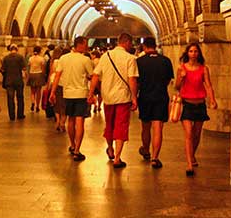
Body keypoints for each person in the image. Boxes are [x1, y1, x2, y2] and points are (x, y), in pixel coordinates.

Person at [89, 33, 138, 168]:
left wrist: (90, 93)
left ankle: (110, 148)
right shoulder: (130, 58)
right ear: (127, 42)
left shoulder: (105, 56)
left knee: (109, 124)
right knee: (121, 126)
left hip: (108, 97)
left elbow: (95, 75)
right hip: (123, 97)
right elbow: (132, 79)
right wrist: (134, 97)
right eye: (130, 43)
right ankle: (117, 158)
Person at [174, 43, 218, 176]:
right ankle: (189, 164)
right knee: (188, 134)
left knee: (196, 134)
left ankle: (192, 155)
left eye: (195, 51)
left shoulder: (204, 69)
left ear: (199, 53)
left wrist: (212, 99)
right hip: (187, 104)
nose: (193, 54)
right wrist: (181, 77)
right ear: (187, 53)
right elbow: (177, 86)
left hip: (200, 105)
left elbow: (208, 86)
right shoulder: (181, 68)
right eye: (191, 51)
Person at [50, 36, 94, 161]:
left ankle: (72, 144)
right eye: (85, 44)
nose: (87, 47)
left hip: (67, 94)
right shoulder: (85, 60)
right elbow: (92, 76)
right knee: (79, 121)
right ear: (80, 44)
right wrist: (92, 91)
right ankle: (77, 150)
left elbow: (57, 76)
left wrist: (52, 92)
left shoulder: (63, 59)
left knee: (70, 120)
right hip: (81, 94)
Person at [136, 37, 173, 169]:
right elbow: (169, 80)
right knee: (158, 127)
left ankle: (146, 149)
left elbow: (137, 82)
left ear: (144, 47)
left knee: (145, 127)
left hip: (145, 97)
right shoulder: (166, 61)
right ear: (156, 46)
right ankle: (155, 157)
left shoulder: (139, 61)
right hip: (161, 97)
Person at [0, 45, 26, 121]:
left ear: (10, 50)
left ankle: (12, 116)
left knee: (10, 99)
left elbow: (2, 69)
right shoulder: (20, 57)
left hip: (9, 81)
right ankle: (20, 114)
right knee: (20, 98)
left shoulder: (6, 58)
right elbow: (24, 68)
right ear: (17, 49)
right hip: (18, 80)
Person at [47, 47, 67, 132]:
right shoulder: (64, 61)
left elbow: (51, 73)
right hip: (64, 84)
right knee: (64, 105)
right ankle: (62, 122)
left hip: (55, 83)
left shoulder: (54, 62)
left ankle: (58, 120)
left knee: (56, 103)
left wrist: (48, 85)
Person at [27, 46, 46, 112]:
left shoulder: (30, 58)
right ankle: (37, 106)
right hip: (39, 74)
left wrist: (28, 75)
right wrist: (44, 76)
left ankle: (33, 102)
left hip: (32, 74)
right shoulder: (41, 59)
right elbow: (43, 69)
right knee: (38, 92)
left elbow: (28, 68)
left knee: (32, 91)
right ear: (40, 51)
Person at [90, 49, 102, 113]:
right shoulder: (101, 60)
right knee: (100, 94)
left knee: (94, 94)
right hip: (101, 79)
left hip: (95, 79)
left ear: (94, 55)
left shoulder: (93, 62)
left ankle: (95, 105)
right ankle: (99, 106)